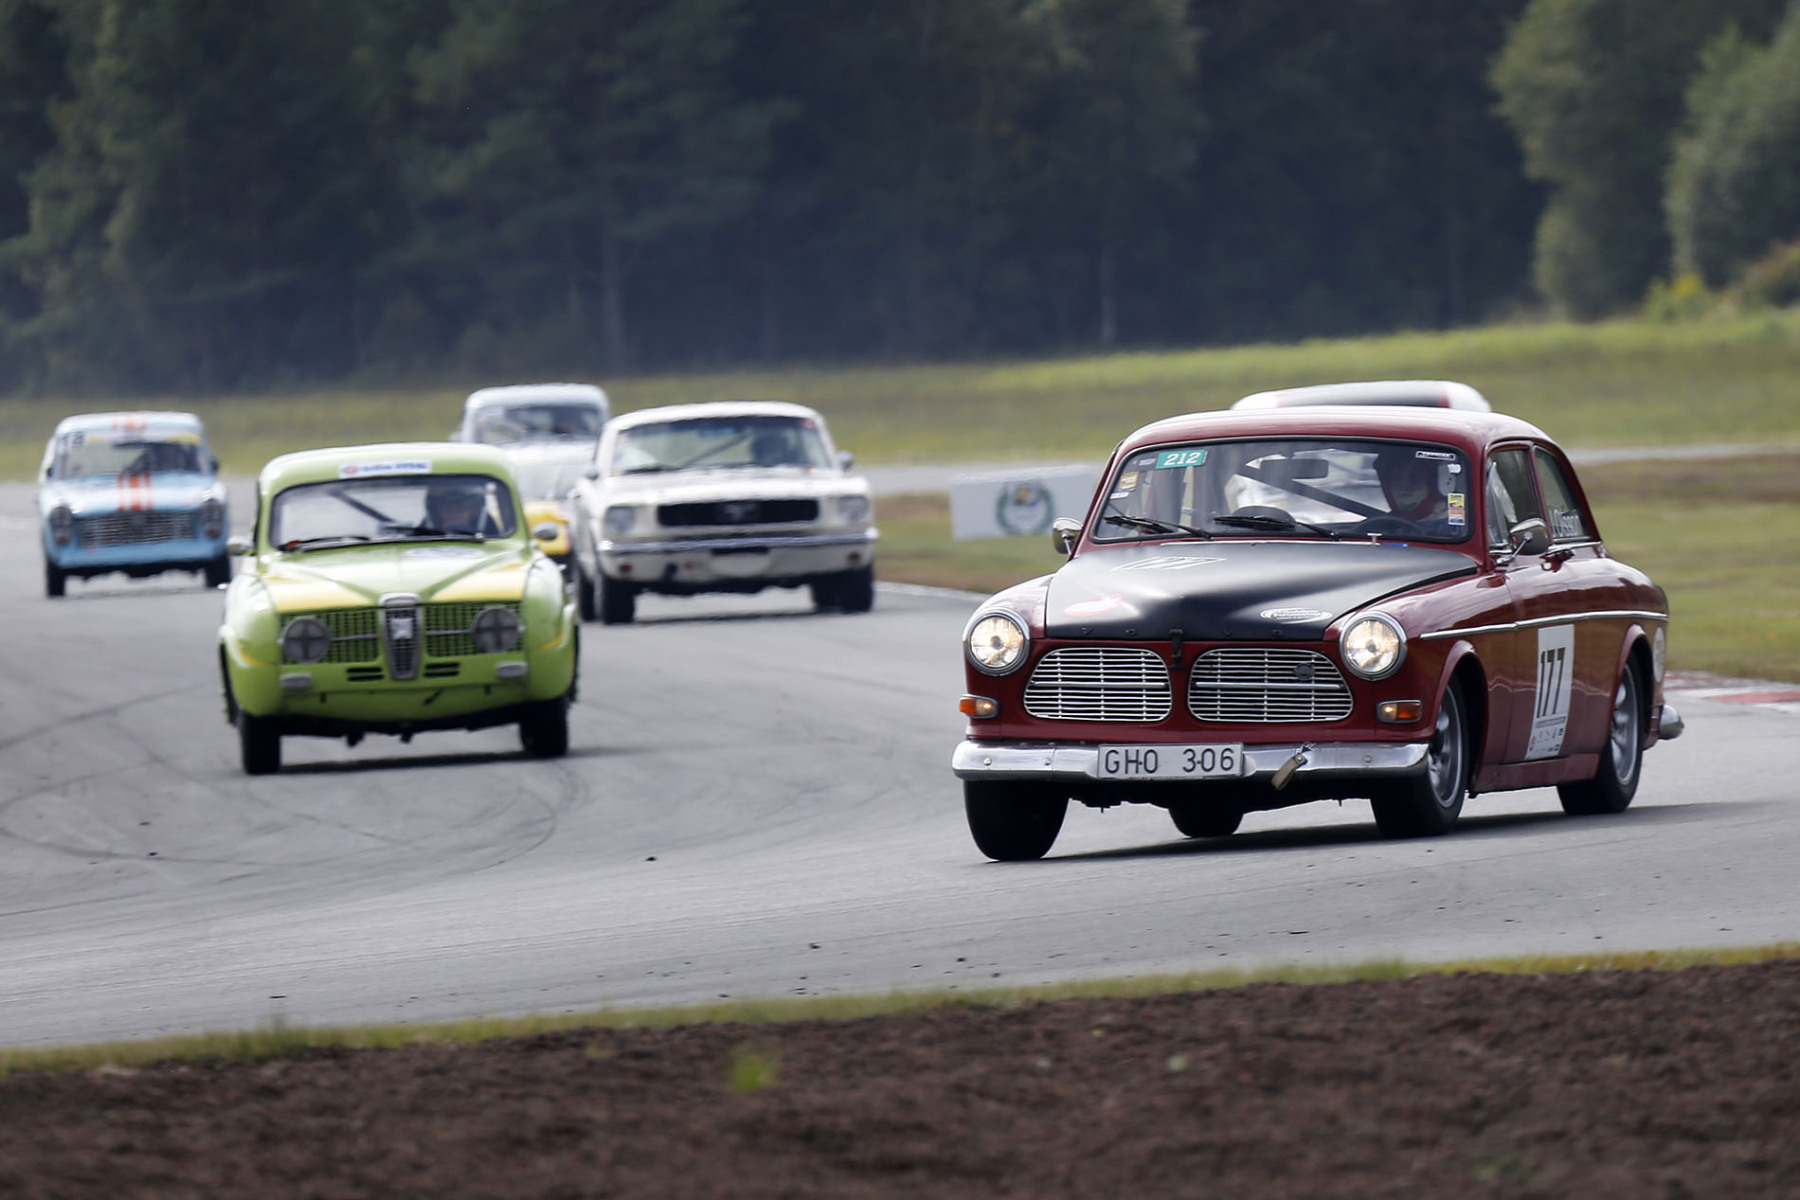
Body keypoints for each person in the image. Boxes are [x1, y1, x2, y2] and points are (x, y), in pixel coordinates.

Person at [425, 479, 492, 536]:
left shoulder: (491, 536)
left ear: (475, 509)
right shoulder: (423, 536)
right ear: (436, 510)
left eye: (460, 507)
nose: (453, 513)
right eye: (448, 508)